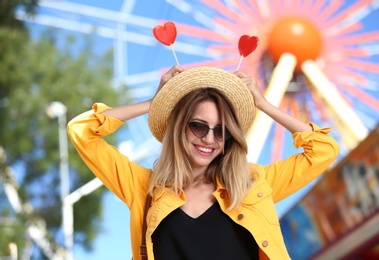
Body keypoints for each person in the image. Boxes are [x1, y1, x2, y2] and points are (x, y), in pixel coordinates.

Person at [68, 65, 340, 260]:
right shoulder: (143, 188)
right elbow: (81, 131)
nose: (209, 139)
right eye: (199, 126)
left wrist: (264, 105)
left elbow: (324, 150)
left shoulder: (253, 185)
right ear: (180, 128)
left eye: (220, 130)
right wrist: (154, 102)